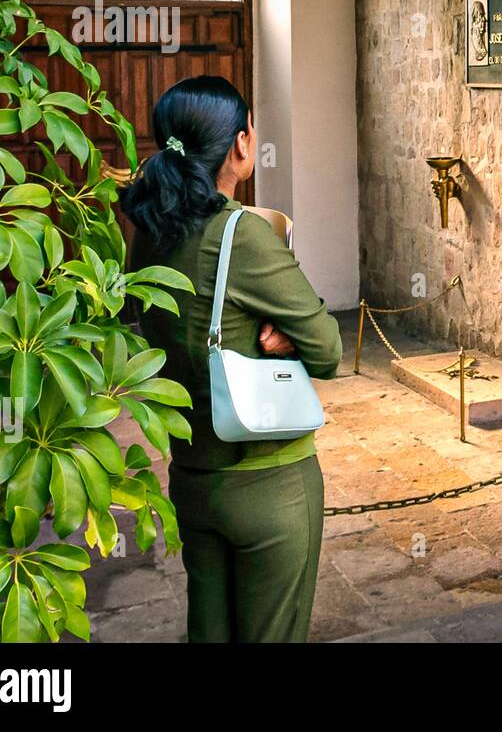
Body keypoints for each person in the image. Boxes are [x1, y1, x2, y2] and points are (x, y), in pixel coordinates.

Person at [120, 75, 343, 643]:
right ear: (242, 144)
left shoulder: (148, 233)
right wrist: (289, 334)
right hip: (268, 485)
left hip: (193, 478)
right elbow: (328, 349)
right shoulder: (243, 234)